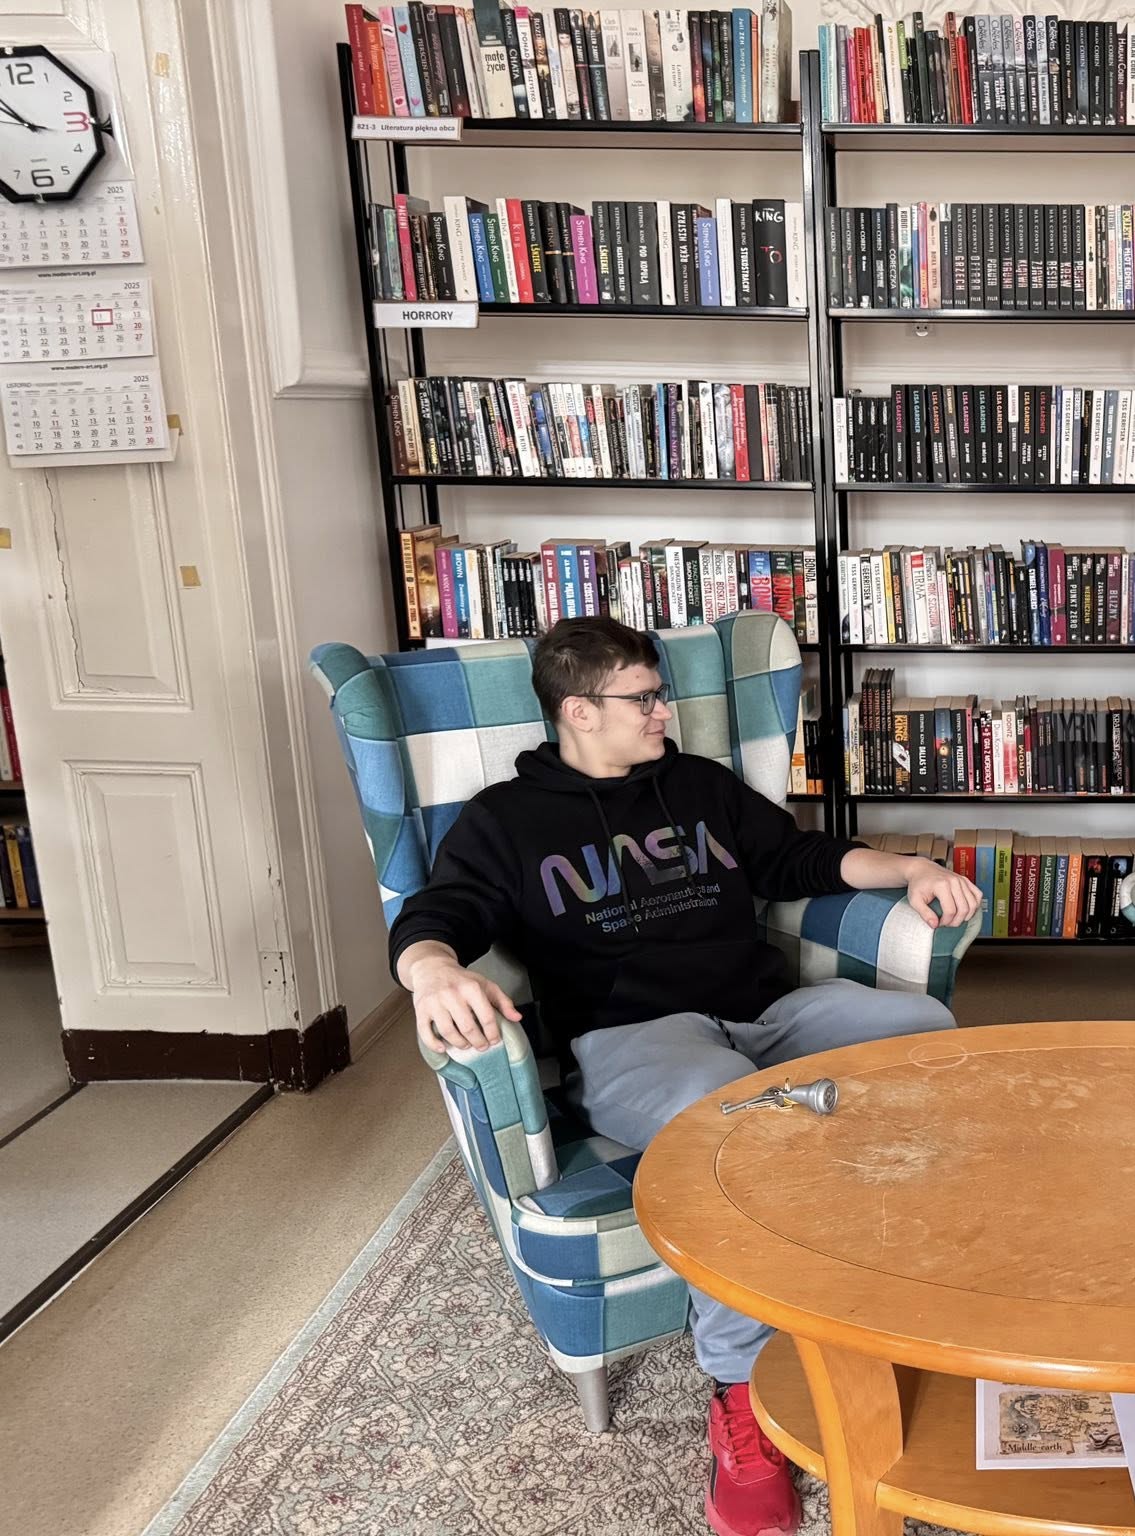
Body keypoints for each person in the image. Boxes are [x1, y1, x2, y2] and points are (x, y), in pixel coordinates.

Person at [389, 616, 981, 1536]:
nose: (665, 710)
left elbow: (794, 857)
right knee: (730, 1130)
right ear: (579, 710)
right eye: (644, 698)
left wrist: (907, 866)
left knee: (928, 1040)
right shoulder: (505, 820)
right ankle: (740, 1390)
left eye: (660, 693)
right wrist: (430, 970)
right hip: (635, 1037)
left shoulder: (698, 784)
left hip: (765, 1013)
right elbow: (440, 913)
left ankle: (912, 1292)